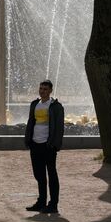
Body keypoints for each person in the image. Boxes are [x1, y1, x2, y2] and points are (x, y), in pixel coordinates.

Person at [24, 79, 65, 214]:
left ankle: (53, 204)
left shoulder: (56, 106)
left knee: (51, 174)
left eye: (45, 89)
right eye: (41, 88)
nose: (42, 91)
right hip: (35, 144)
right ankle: (41, 202)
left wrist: (55, 145)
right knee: (39, 174)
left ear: (50, 91)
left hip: (48, 145)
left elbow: (59, 128)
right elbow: (31, 122)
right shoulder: (35, 104)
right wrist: (28, 139)